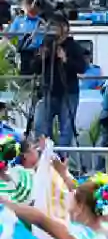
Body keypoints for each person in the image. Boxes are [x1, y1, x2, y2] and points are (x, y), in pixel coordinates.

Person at [33, 18, 87, 147]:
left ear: (66, 30)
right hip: (48, 91)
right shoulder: (46, 45)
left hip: (69, 92)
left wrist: (65, 59)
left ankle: (62, 160)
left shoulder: (73, 47)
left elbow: (81, 68)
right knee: (41, 126)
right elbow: (34, 68)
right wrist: (42, 58)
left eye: (57, 28)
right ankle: (46, 156)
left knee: (66, 129)